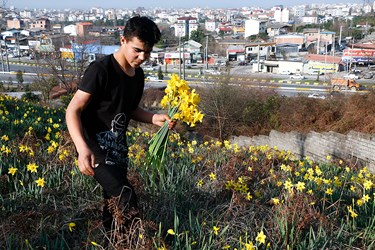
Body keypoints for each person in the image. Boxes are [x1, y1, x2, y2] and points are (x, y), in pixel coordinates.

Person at [65, 16, 173, 234]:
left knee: (111, 206)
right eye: (138, 50)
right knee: (126, 195)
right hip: (95, 149)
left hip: (118, 149)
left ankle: (113, 242)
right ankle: (135, 242)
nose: (143, 57)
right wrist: (82, 148)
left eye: (148, 52)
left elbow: (129, 109)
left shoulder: (137, 75)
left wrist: (154, 118)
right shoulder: (101, 70)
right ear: (122, 40)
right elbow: (72, 110)